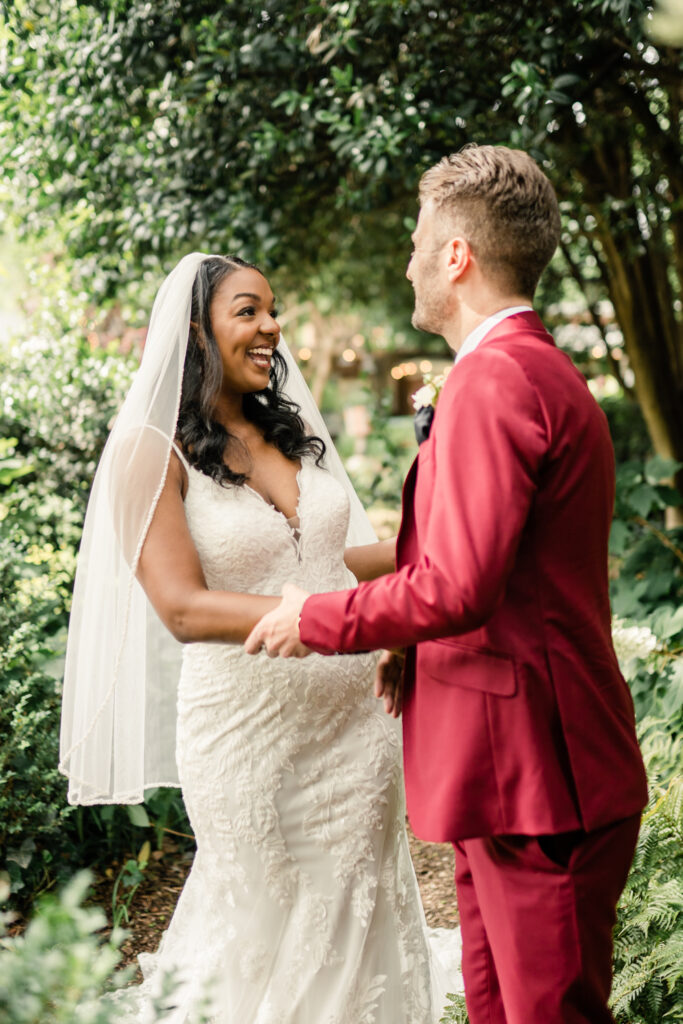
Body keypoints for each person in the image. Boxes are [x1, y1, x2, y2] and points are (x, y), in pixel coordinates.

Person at [245, 145, 649, 1024]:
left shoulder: (497, 381)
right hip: (504, 774)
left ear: (456, 256)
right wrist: (407, 644)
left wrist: (314, 617)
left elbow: (457, 585)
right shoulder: (520, 370)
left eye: (418, 239)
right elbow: (493, 568)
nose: (408, 261)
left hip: (540, 778)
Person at [59, 252, 453, 1023]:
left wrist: (431, 549)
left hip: (355, 733)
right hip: (248, 738)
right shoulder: (149, 450)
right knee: (261, 927)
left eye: (272, 308)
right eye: (248, 310)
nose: (272, 325)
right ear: (197, 333)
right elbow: (180, 606)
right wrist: (320, 618)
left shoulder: (288, 427)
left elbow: (326, 562)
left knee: (358, 917)